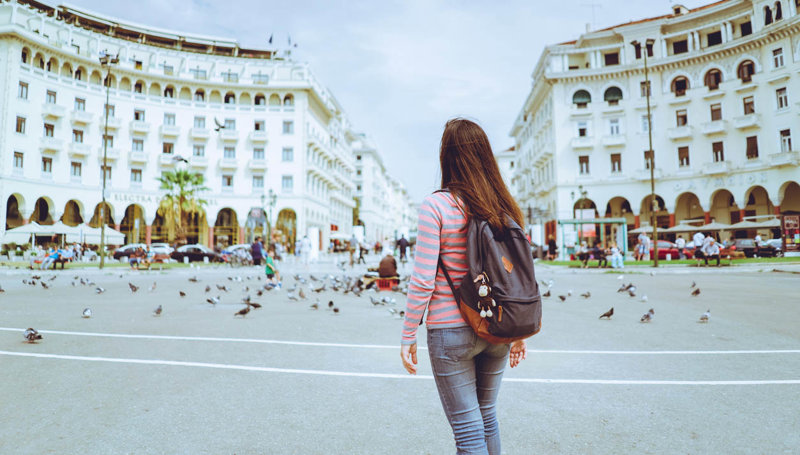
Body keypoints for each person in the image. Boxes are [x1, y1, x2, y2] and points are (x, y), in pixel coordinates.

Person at [401, 118, 527, 455]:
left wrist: (408, 333)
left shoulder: (437, 206)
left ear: (447, 157)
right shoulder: (503, 208)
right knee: (487, 419)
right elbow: (515, 275)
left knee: (469, 435)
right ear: (486, 157)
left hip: (450, 331)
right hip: (497, 327)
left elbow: (424, 278)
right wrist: (517, 333)